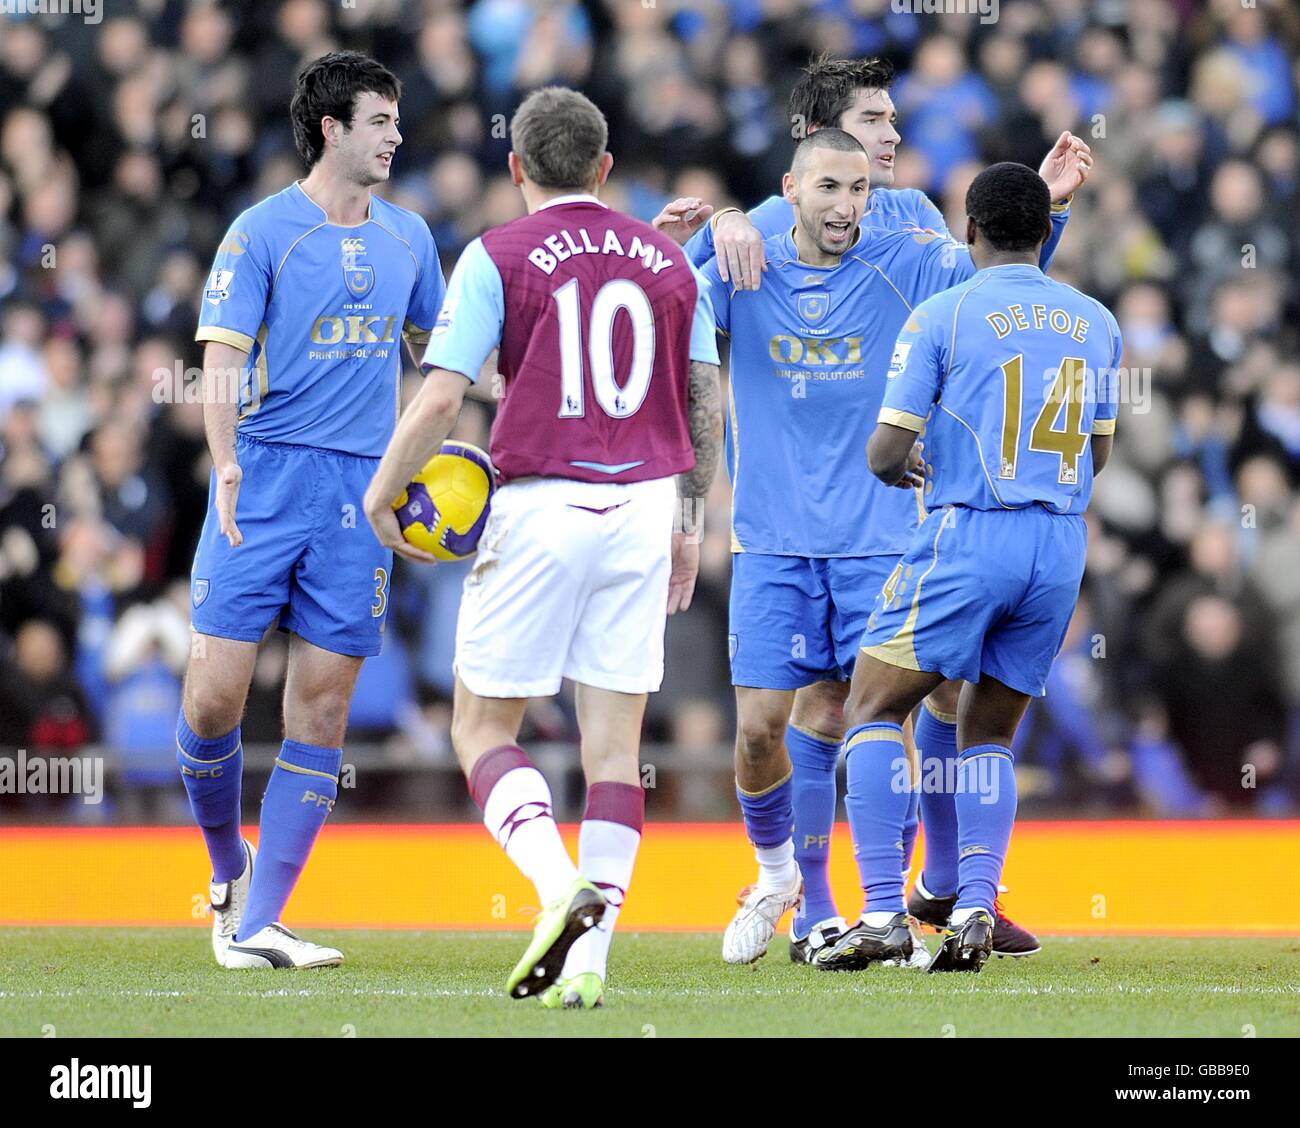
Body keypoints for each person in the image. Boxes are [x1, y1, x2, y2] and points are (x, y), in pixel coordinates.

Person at [656, 55, 1088, 962]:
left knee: (882, 710)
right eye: (874, 120)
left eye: (891, 125)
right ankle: (797, 882)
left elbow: (995, 299)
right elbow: (665, 318)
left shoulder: (915, 233)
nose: (894, 135)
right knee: (763, 730)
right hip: (773, 531)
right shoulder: (751, 238)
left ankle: (908, 900)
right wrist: (686, 234)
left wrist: (1042, 213)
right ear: (816, 146)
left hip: (887, 530)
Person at [363, 86, 723, 1009]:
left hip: (542, 497)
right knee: (615, 752)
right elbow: (702, 400)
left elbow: (444, 399)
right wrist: (689, 522)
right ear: (604, 167)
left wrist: (382, 493)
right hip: (644, 505)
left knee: (482, 727)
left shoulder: (496, 253)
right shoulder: (670, 264)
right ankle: (592, 968)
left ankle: (555, 887)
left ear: (515, 166)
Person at [181, 52, 445, 969]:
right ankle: (228, 870)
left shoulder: (411, 237)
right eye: (381, 121)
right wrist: (222, 462)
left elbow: (447, 358)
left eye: (398, 121)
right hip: (262, 477)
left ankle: (259, 926)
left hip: (357, 493)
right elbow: (221, 354)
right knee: (213, 700)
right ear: (332, 128)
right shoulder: (262, 232)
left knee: (322, 712)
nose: (396, 136)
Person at [847, 162, 1121, 971]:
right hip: (1060, 545)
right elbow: (1099, 452)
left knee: (869, 707)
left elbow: (885, 452)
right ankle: (972, 904)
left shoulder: (945, 312)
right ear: (1044, 232)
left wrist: (905, 466)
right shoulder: (1096, 320)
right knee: (989, 732)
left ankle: (879, 911)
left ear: (969, 230)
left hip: (971, 534)